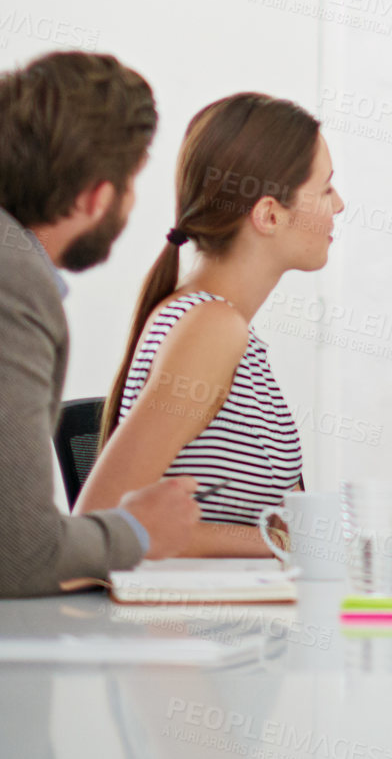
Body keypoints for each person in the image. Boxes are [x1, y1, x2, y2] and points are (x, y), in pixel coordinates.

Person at [77, 93, 342, 556]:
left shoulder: (231, 330)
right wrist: (279, 540)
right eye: (325, 189)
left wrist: (294, 534)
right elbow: (100, 523)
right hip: (195, 627)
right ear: (269, 214)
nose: (338, 205)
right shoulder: (210, 327)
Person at [0, 51, 199, 597]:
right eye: (132, 183)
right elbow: (17, 554)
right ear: (95, 198)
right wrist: (136, 530)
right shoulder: (13, 280)